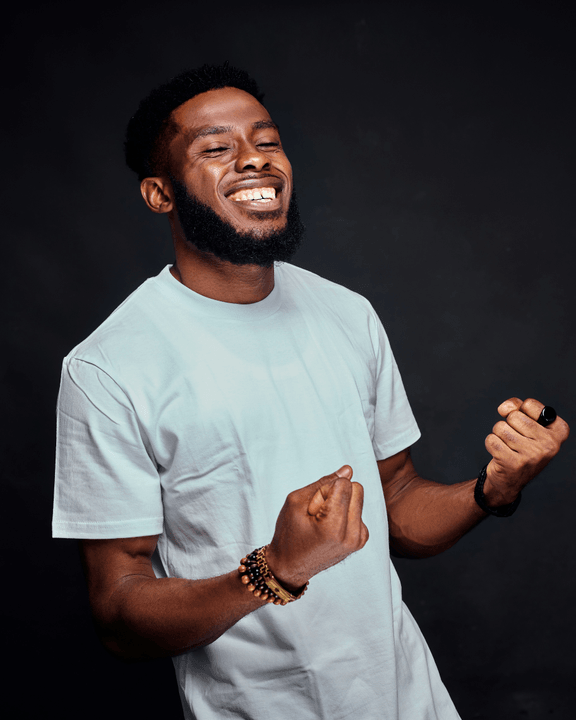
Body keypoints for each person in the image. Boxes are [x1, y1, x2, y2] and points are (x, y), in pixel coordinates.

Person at [52, 63, 569, 720]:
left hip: (412, 701)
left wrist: (493, 489)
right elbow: (119, 614)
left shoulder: (348, 313)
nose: (254, 160)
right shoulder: (108, 368)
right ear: (160, 194)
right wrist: (273, 570)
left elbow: (396, 504)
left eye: (267, 141)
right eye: (216, 148)